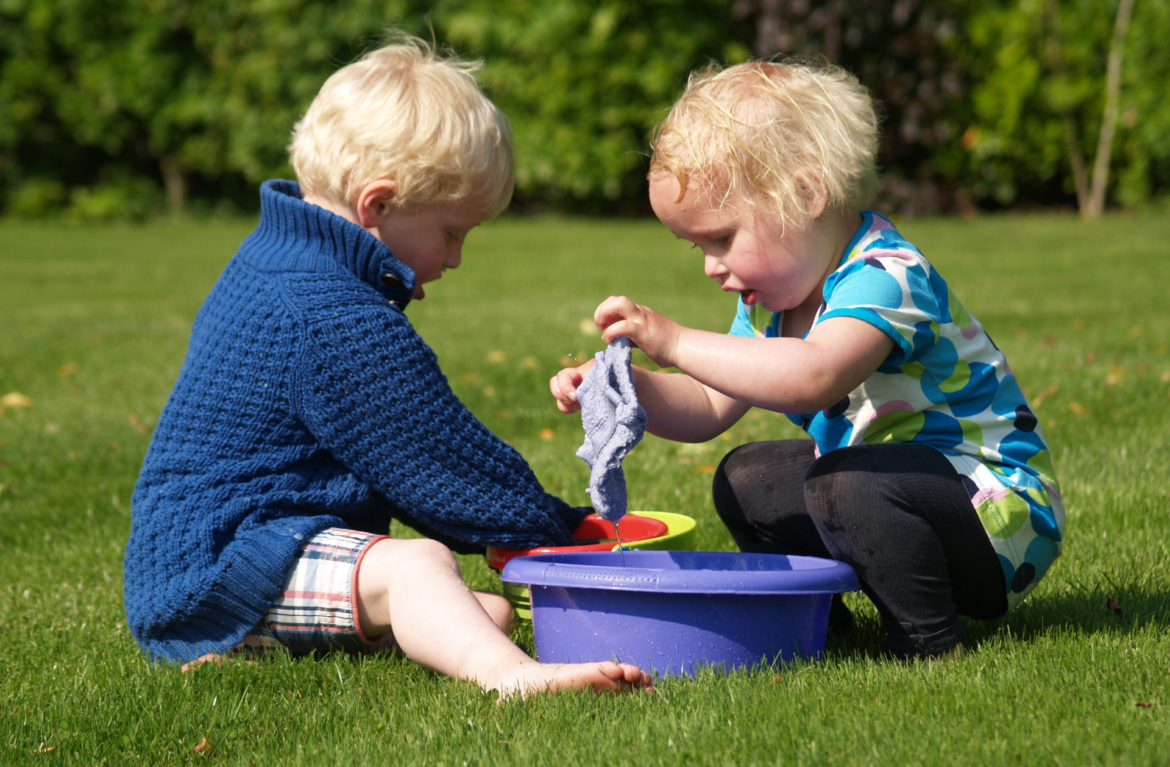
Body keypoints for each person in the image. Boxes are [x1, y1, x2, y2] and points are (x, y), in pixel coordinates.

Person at [123, 34, 652, 697]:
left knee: (478, 611)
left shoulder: (279, 257)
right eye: (452, 232)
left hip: (224, 552)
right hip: (221, 566)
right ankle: (515, 679)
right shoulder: (331, 314)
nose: (456, 257)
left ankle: (247, 650)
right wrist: (557, 527)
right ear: (377, 206)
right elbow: (439, 461)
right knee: (420, 567)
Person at [550, 58, 1064, 659]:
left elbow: (813, 376)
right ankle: (820, 626)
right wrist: (622, 386)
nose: (711, 266)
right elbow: (711, 402)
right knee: (748, 478)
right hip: (890, 492)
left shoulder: (886, 274)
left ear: (805, 195)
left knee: (841, 484)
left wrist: (675, 340)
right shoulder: (772, 304)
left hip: (994, 515)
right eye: (698, 246)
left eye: (722, 238)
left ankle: (927, 642)